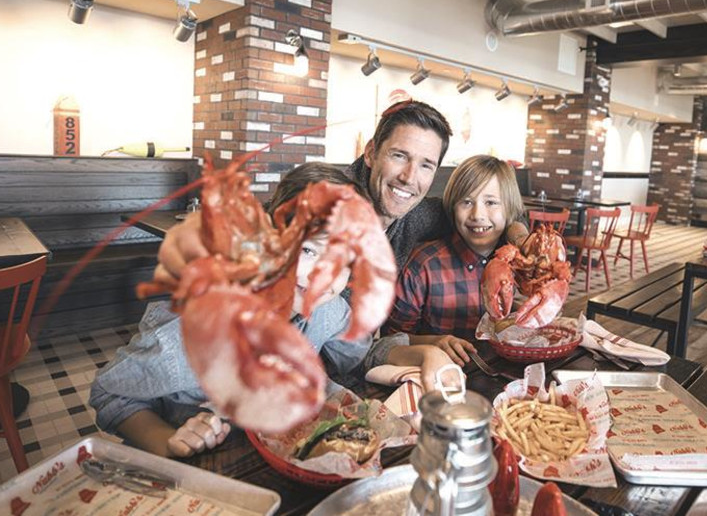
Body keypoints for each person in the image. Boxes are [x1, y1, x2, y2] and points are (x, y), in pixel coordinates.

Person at [90, 163, 452, 458]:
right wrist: (167, 441)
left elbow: (360, 355)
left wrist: (424, 352)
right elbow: (110, 395)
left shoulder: (326, 311)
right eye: (308, 251)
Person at [151, 100, 529, 361]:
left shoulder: (417, 212)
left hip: (344, 366)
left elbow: (482, 215)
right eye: (399, 156)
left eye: (426, 164)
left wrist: (520, 236)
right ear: (371, 153)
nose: (409, 177)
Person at [384, 155, 525, 366]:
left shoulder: (518, 260)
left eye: (491, 203)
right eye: (467, 202)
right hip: (437, 379)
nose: (478, 215)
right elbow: (390, 341)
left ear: (509, 209)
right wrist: (434, 342)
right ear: (451, 206)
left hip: (504, 373)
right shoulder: (423, 266)